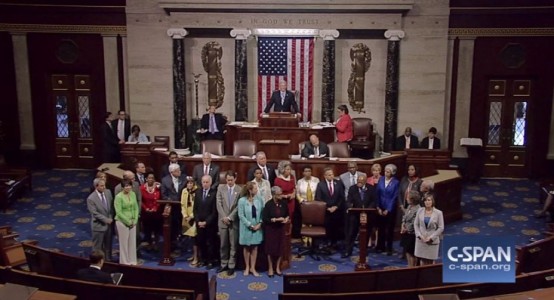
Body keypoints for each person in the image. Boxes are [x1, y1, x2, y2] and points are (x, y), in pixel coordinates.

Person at [342, 174, 376, 258]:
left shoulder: (371, 188)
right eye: (358, 181)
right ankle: (348, 251)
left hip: (367, 215)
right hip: (355, 215)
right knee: (351, 234)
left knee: (366, 233)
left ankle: (363, 250)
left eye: (361, 181)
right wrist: (349, 206)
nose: (359, 182)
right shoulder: (352, 188)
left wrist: (368, 209)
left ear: (365, 181)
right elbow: (349, 200)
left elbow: (374, 201)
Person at [215, 170, 241, 276]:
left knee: (233, 245)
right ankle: (223, 263)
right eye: (227, 180)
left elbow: (239, 206)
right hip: (222, 221)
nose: (229, 182)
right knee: (223, 244)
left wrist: (230, 217)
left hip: (233, 221)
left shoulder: (239, 189)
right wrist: (224, 217)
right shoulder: (221, 189)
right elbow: (218, 204)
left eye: (231, 180)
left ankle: (231, 265)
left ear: (235, 179)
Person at [237, 182, 264, 277]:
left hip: (257, 227)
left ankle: (253, 267)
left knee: (255, 247)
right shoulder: (242, 201)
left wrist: (260, 223)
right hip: (246, 228)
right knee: (246, 247)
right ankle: (247, 267)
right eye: (255, 188)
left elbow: (263, 213)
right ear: (250, 190)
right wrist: (250, 225)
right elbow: (240, 215)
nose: (257, 190)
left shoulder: (260, 199)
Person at [262, 186, 289, 278]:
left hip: (280, 229)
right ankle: (270, 268)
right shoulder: (268, 205)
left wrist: (286, 219)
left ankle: (277, 267)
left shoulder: (283, 203)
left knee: (280, 248)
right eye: (279, 194)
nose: (281, 196)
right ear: (274, 195)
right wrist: (275, 220)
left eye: (281, 193)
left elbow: (287, 214)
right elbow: (265, 219)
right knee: (270, 249)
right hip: (271, 229)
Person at [315, 167, 345, 249]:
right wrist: (327, 208)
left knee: (336, 227)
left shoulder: (338, 183)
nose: (331, 176)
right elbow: (318, 198)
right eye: (329, 175)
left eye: (332, 174)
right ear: (325, 176)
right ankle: (326, 243)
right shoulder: (320, 184)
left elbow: (341, 197)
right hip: (326, 211)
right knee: (327, 227)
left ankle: (334, 243)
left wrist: (336, 206)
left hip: (337, 210)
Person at [193, 175, 218, 269]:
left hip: (210, 224)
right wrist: (198, 221)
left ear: (210, 183)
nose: (205, 184)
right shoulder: (198, 192)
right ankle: (203, 260)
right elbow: (195, 209)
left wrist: (206, 222)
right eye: (203, 182)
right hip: (199, 223)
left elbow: (214, 211)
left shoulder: (214, 193)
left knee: (210, 243)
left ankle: (210, 261)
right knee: (201, 242)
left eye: (207, 182)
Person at [161, 163, 187, 253]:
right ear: (172, 172)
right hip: (171, 208)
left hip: (182, 207)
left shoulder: (184, 178)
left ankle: (181, 244)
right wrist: (171, 200)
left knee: (181, 226)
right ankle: (172, 246)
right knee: (172, 227)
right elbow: (164, 195)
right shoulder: (165, 180)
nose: (180, 171)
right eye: (177, 170)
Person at [86, 178, 114, 262]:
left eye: (104, 185)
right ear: (96, 186)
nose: (104, 187)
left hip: (109, 225)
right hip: (98, 226)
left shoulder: (108, 192)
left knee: (108, 245)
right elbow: (94, 213)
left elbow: (111, 207)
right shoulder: (91, 198)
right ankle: (97, 262)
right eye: (102, 186)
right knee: (98, 247)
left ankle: (109, 260)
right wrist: (105, 219)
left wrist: (111, 217)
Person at [376, 164, 399, 256]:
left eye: (388, 171)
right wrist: (378, 207)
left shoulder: (396, 182)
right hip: (380, 208)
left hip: (390, 209)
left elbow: (394, 197)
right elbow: (377, 193)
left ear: (392, 173)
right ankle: (380, 247)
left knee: (389, 229)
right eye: (385, 171)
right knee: (381, 228)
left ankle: (389, 247)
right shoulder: (381, 180)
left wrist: (388, 209)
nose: (386, 173)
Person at [114, 179, 139, 265]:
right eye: (126, 186)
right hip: (122, 222)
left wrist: (135, 220)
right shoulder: (118, 197)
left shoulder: (133, 194)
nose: (128, 187)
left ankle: (132, 260)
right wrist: (128, 222)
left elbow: (136, 207)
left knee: (132, 242)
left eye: (129, 185)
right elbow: (119, 212)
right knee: (124, 243)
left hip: (133, 221)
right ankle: (124, 262)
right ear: (122, 187)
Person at [414, 193, 444, 265]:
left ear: (432, 201)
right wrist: (419, 235)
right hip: (421, 240)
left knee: (430, 263)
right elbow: (416, 224)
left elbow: (441, 228)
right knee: (422, 261)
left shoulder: (438, 213)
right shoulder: (420, 210)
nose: (427, 202)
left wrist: (431, 238)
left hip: (432, 242)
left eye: (429, 200)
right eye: (425, 200)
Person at [140, 170, 162, 252]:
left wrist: (155, 208)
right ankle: (149, 243)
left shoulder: (158, 187)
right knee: (147, 229)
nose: (151, 179)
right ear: (146, 179)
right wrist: (145, 208)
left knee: (156, 229)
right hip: (146, 212)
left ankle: (156, 243)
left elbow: (160, 199)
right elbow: (141, 200)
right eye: (149, 178)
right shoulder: (141, 188)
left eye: (152, 178)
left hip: (156, 212)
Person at [274, 160, 296, 237]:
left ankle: (289, 235)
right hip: (282, 202)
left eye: (290, 169)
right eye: (287, 169)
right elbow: (276, 193)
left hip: (291, 202)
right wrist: (285, 196)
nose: (289, 171)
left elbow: (294, 188)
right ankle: (282, 235)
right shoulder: (278, 180)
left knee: (291, 218)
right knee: (283, 218)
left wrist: (293, 194)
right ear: (282, 170)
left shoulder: (292, 177)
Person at [400, 190, 421, 267]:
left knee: (412, 252)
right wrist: (402, 225)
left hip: (412, 234)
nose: (406, 199)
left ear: (412, 199)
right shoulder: (409, 207)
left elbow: (414, 222)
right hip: (405, 233)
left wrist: (407, 229)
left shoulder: (418, 209)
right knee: (407, 251)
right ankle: (409, 266)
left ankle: (413, 267)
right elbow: (404, 217)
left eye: (408, 197)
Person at [181, 177, 198, 265]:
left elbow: (197, 207)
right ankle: (193, 254)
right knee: (190, 238)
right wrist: (185, 215)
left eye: (191, 183)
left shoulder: (197, 192)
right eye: (188, 183)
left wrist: (191, 216)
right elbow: (183, 205)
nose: (189, 185)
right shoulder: (184, 191)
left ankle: (196, 257)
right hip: (186, 217)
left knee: (195, 238)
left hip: (194, 218)